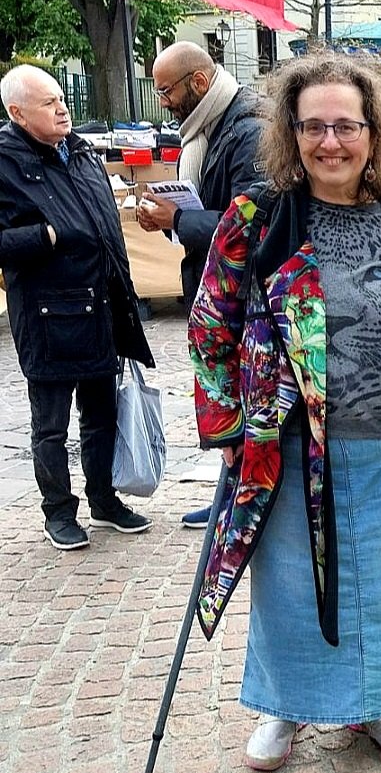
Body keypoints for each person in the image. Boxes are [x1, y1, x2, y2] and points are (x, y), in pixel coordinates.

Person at [188, 51, 381, 771]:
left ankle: (375, 704)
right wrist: (226, 427)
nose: (330, 142)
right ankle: (285, 708)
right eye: (313, 126)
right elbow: (208, 324)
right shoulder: (259, 218)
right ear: (291, 133)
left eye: (346, 126)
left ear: (373, 134)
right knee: (287, 582)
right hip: (289, 445)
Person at [0, 65, 154, 550]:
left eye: (61, 97)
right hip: (48, 315)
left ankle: (104, 500)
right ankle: (58, 512)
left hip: (101, 305)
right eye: (48, 103)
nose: (62, 107)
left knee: (101, 412)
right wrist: (42, 236)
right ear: (17, 113)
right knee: (51, 423)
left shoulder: (81, 152)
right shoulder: (4, 162)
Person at [137, 41, 268, 527]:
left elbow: (253, 222)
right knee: (223, 393)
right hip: (218, 290)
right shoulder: (208, 126)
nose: (163, 101)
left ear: (198, 82)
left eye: (166, 90)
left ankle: (239, 495)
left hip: (242, 294)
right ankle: (229, 489)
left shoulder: (248, 128)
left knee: (242, 394)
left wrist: (181, 218)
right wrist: (172, 220)